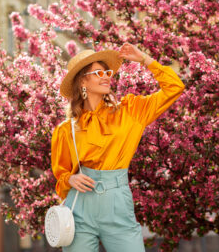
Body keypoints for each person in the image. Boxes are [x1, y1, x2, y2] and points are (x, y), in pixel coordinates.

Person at [51, 42, 185, 252]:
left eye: (107, 72)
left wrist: (144, 59)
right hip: (79, 207)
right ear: (83, 81)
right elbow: (61, 175)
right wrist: (71, 178)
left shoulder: (131, 111)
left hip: (117, 203)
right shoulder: (66, 129)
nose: (106, 76)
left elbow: (175, 87)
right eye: (98, 72)